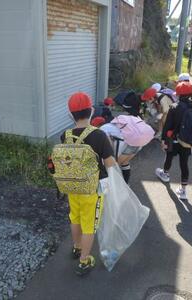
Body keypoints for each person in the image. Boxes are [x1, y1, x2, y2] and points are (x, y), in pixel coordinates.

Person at [61, 92, 116, 276]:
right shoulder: (99, 135)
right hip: (92, 190)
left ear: (71, 114)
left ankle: (77, 248)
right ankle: (84, 261)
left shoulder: (65, 135)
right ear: (91, 111)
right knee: (89, 225)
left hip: (72, 187)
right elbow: (110, 165)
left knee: (74, 217)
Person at [155, 82, 192, 200]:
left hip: (174, 140)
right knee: (184, 164)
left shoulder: (174, 106)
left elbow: (167, 125)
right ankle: (183, 191)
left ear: (178, 94)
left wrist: (163, 140)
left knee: (169, 157)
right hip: (187, 141)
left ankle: (165, 174)